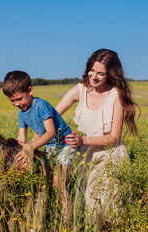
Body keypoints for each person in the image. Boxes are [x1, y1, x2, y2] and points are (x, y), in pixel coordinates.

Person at [55, 49, 139, 221]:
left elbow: (113, 138)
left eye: (101, 73)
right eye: (92, 70)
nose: (94, 76)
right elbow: (52, 115)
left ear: (110, 74)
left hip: (111, 158)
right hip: (87, 158)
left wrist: (81, 140)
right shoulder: (80, 90)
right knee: (88, 212)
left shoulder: (117, 95)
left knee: (109, 214)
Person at [2, 70, 75, 221]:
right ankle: (51, 214)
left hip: (65, 144)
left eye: (19, 99)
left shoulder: (41, 105)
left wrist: (31, 146)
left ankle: (68, 221)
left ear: (30, 90)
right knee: (45, 181)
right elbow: (21, 139)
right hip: (49, 147)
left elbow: (50, 132)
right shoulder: (21, 114)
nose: (16, 104)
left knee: (59, 184)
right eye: (12, 101)